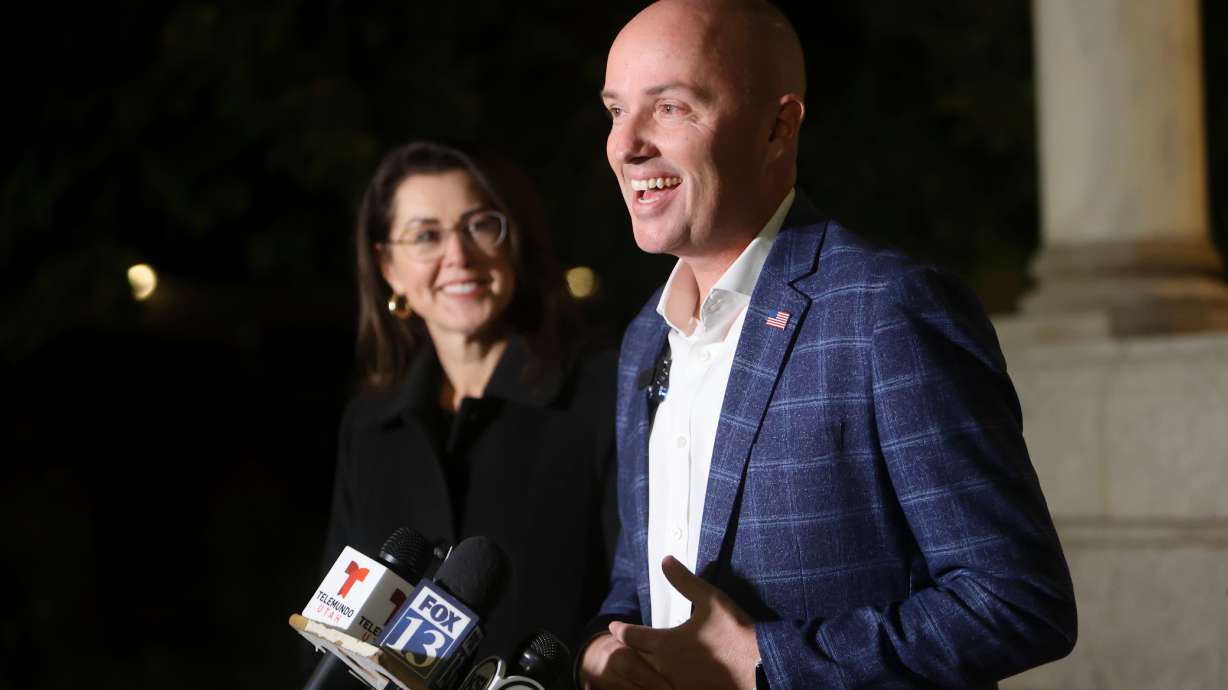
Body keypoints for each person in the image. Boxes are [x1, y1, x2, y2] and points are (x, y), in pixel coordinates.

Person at [579, 1, 1077, 689]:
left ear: (779, 127)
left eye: (670, 108)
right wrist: (605, 648)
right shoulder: (644, 337)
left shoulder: (886, 310)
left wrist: (765, 662)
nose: (627, 144)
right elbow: (643, 580)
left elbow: (1019, 600)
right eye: (615, 109)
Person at [320, 140, 618, 670]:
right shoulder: (370, 425)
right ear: (387, 265)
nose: (457, 256)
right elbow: (336, 631)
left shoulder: (600, 393)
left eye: (481, 225)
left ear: (515, 242)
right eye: (426, 236)